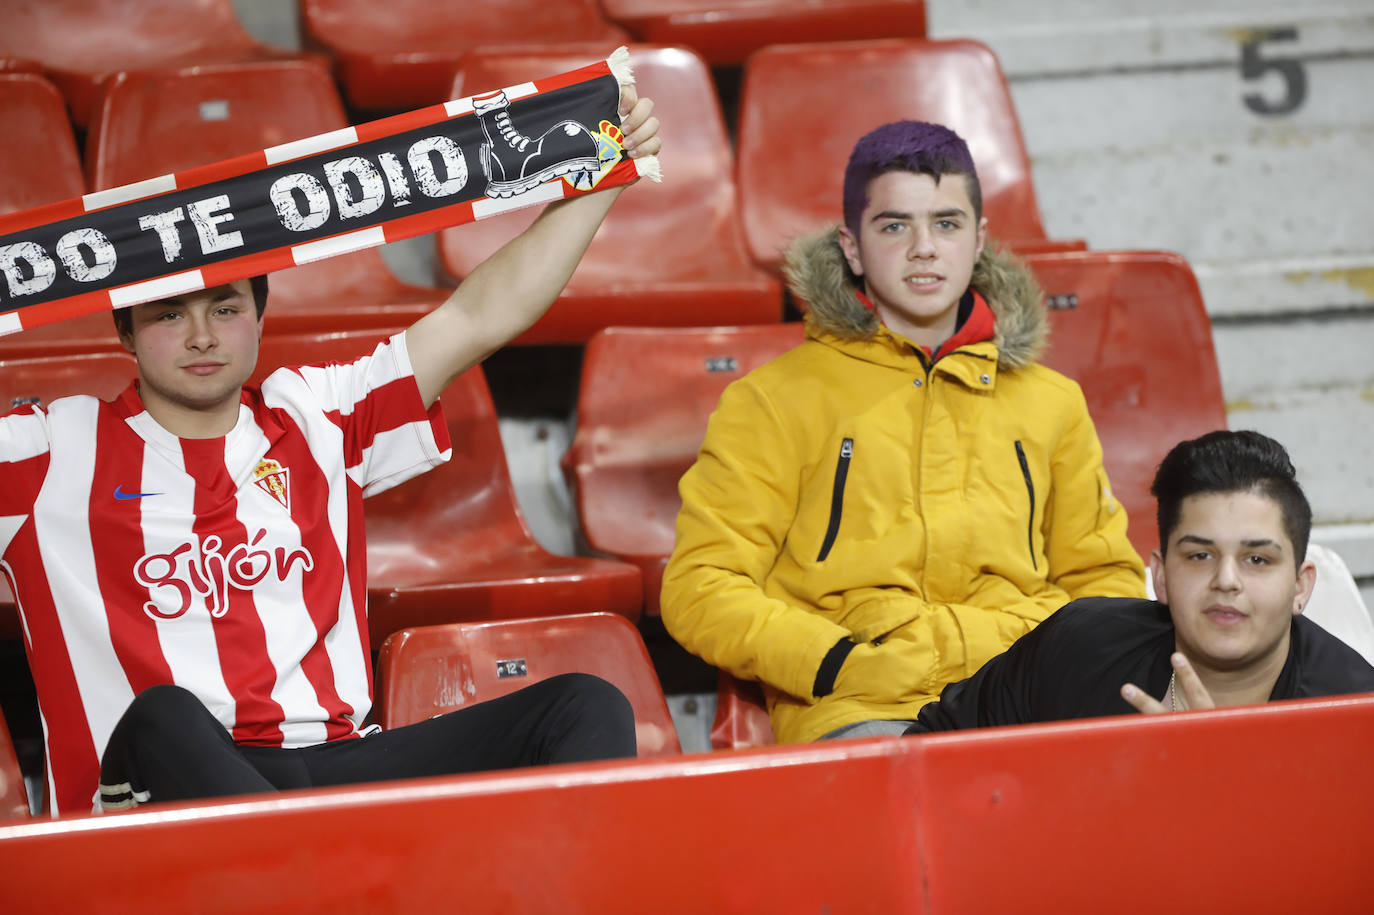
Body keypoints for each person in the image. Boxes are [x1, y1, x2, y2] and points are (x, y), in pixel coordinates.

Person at [0, 88, 662, 815]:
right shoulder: (48, 448)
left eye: (225, 309)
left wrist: (607, 165)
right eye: (168, 315)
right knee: (164, 715)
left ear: (258, 316)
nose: (201, 337)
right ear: (123, 333)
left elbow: (479, 314)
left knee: (583, 703)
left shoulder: (316, 414)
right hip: (159, 787)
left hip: (331, 768)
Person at [660, 120, 1145, 744]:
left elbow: (1105, 582)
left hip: (1030, 694)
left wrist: (1048, 654)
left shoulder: (1053, 403)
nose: (924, 248)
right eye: (895, 226)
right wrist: (834, 662)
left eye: (946, 223)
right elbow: (702, 586)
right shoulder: (771, 402)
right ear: (853, 247)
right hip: (865, 706)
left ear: (979, 242)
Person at [907, 430, 1374, 733]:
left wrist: (1228, 774)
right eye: (1199, 555)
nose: (1226, 580)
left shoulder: (1355, 714)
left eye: (1256, 558)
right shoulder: (1077, 647)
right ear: (1161, 576)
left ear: (1300, 586)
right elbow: (932, 748)